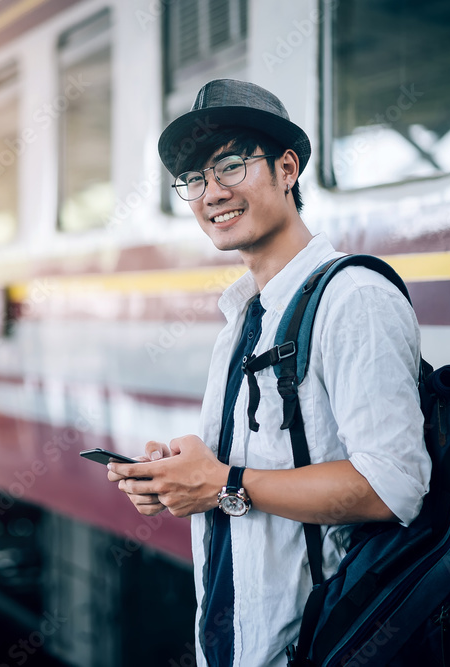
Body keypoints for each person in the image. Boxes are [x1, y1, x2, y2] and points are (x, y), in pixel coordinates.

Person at [106, 79, 431, 667]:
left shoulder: (353, 296)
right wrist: (181, 477)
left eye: (230, 165)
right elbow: (253, 469)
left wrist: (224, 483)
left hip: (323, 644)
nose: (212, 193)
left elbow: (393, 486)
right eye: (196, 180)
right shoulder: (245, 316)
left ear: (287, 169)